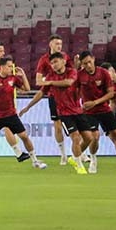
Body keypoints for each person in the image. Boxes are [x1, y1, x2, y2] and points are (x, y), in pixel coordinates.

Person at [0, 57, 46, 171]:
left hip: (11, 114)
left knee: (24, 136)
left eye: (12, 66)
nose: (11, 68)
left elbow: (27, 89)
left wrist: (23, 75)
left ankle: (35, 161)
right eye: (9, 66)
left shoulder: (13, 78)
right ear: (2, 67)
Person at [76, 51, 116, 174]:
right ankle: (93, 161)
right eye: (85, 64)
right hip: (88, 112)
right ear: (82, 64)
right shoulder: (79, 75)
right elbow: (74, 92)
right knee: (94, 137)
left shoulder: (104, 73)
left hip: (104, 110)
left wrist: (95, 102)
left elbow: (111, 93)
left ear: (94, 59)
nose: (88, 65)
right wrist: (77, 106)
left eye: (90, 62)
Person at [40, 52, 94, 175]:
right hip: (64, 113)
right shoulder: (50, 76)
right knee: (75, 137)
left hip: (77, 110)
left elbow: (69, 82)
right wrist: (28, 107)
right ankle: (79, 166)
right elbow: (41, 92)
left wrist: (50, 83)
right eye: (52, 63)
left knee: (89, 138)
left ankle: (74, 157)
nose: (53, 65)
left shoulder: (71, 72)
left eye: (56, 62)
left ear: (63, 61)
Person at [34, 35, 77, 164]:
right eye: (57, 43)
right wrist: (50, 83)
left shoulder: (65, 57)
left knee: (76, 124)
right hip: (54, 96)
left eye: (60, 43)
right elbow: (38, 80)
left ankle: (80, 152)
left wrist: (76, 64)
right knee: (57, 126)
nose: (59, 46)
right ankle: (63, 154)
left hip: (69, 96)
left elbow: (72, 72)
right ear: (50, 45)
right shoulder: (43, 60)